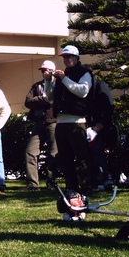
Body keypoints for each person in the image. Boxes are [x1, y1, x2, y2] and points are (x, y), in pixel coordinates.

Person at [45, 45, 93, 194]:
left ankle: (85, 187)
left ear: (76, 57)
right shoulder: (62, 75)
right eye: (64, 57)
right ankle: (71, 187)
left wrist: (64, 79)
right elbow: (50, 96)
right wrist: (48, 81)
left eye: (69, 56)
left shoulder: (84, 73)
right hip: (61, 122)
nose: (67, 60)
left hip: (77, 122)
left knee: (81, 157)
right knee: (65, 159)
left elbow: (83, 91)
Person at [23, 61, 58, 191]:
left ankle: (51, 183)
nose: (44, 73)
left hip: (53, 122)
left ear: (53, 71)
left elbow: (52, 100)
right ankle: (33, 184)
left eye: (46, 70)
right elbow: (28, 101)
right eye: (42, 71)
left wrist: (40, 100)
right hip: (38, 122)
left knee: (53, 153)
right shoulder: (37, 86)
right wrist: (43, 99)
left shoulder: (58, 85)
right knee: (30, 152)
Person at [87, 75, 115, 191]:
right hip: (89, 126)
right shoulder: (86, 87)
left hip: (99, 127)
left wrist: (100, 125)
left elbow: (109, 107)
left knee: (98, 154)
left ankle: (103, 179)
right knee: (91, 155)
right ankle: (93, 181)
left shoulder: (99, 86)